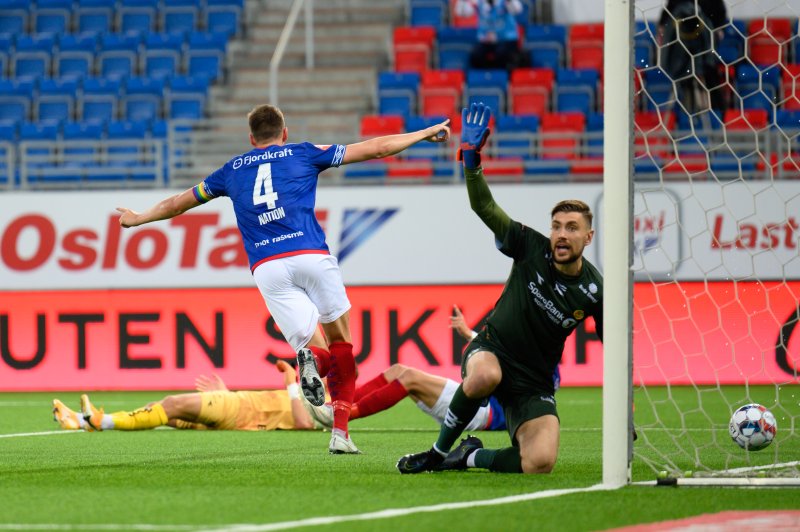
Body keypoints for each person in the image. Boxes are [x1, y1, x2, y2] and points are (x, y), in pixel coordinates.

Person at [115, 104, 450, 454]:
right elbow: (376, 148)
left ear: (250, 138)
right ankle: (339, 433)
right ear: (284, 132)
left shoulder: (231, 171)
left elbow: (179, 202)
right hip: (310, 256)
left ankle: (311, 362)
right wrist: (424, 133)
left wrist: (138, 219)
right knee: (341, 345)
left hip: (267, 268)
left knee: (316, 348)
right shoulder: (304, 152)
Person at [397, 102, 604, 474]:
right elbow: (484, 207)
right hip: (492, 350)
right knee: (485, 377)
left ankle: (468, 457)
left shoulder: (594, 289)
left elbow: (614, 346)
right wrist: (472, 159)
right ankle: (439, 452)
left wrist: (627, 407)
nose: (561, 234)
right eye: (557, 225)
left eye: (572, 228)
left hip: (534, 381)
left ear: (588, 237)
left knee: (539, 463)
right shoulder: (530, 245)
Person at [52, 361, 322, 432]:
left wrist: (290, 383)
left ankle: (99, 421)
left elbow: (303, 424)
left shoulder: (329, 404)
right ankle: (81, 420)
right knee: (158, 410)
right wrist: (225, 395)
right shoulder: (322, 390)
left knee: (171, 403)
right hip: (237, 409)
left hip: (238, 411)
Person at [658, 0, 729, 115]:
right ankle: (685, 114)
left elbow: (720, 15)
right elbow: (668, 12)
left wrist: (718, 30)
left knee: (709, 78)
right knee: (683, 76)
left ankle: (715, 115)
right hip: (681, 49)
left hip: (703, 51)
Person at [455, 0, 525, 70]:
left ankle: (502, 76)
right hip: (485, 41)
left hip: (506, 39)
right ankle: (485, 77)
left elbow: (517, 9)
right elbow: (461, 12)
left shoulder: (504, 2)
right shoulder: (478, 2)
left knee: (502, 54)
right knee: (476, 54)